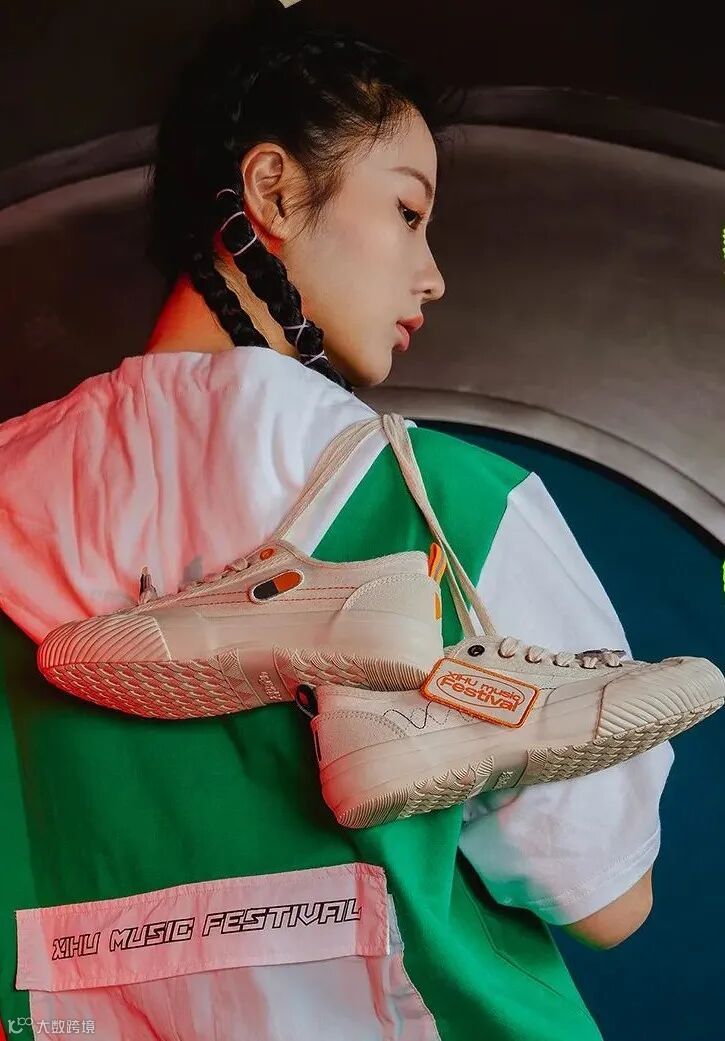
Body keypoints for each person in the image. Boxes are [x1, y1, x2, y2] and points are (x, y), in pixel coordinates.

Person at [0, 5, 676, 1039]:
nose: (431, 273)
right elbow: (607, 902)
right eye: (407, 211)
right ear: (272, 190)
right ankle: (442, 701)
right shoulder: (447, 507)